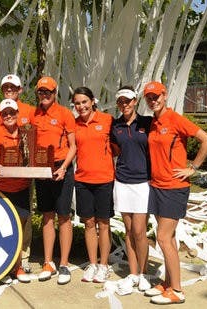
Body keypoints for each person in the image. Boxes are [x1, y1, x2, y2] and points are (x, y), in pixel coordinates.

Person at [143, 81, 207, 305]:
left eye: (156, 96)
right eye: (149, 97)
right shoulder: (154, 122)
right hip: (157, 186)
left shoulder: (175, 119)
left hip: (174, 187)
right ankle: (168, 282)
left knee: (163, 238)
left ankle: (177, 290)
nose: (153, 100)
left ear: (165, 96)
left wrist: (193, 168)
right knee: (169, 238)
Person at [0, 98, 32, 284]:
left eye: (12, 113)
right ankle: (0, 269)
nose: (9, 116)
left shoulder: (27, 134)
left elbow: (35, 157)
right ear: (1, 116)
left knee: (17, 230)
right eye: (5, 114)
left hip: (21, 188)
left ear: (18, 114)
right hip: (0, 191)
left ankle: (16, 267)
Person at [0, 73, 35, 273]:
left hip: (23, 176)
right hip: (0, 177)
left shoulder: (30, 111)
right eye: (6, 86)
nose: (9, 89)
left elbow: (35, 141)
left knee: (24, 218)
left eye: (13, 87)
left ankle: (23, 256)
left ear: (20, 89)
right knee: (0, 218)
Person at [31, 76, 76, 285]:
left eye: (48, 91)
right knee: (47, 216)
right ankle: (48, 262)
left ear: (55, 93)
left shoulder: (65, 113)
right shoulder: (34, 114)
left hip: (61, 167)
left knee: (64, 216)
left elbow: (73, 146)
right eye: (41, 91)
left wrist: (64, 167)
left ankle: (64, 263)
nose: (45, 95)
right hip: (42, 169)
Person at [110, 86, 152, 294]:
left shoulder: (147, 123)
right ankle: (133, 273)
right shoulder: (115, 125)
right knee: (128, 231)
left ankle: (143, 273)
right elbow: (114, 150)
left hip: (143, 182)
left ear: (135, 101)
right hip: (123, 181)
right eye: (121, 101)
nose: (124, 104)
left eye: (128, 100)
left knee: (139, 231)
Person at [72, 86, 115, 284]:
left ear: (92, 101)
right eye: (77, 103)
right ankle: (92, 264)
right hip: (82, 180)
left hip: (104, 180)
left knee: (104, 224)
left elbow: (117, 148)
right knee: (89, 223)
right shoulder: (74, 125)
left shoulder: (107, 120)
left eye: (84, 102)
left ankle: (104, 265)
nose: (81, 106)